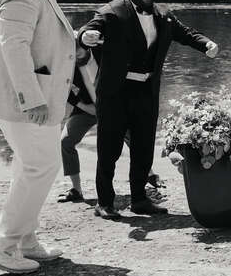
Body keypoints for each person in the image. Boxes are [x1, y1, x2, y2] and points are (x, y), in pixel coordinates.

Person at [79, 0, 218, 219]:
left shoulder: (162, 13)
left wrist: (206, 44)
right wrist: (85, 36)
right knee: (108, 148)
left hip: (147, 90)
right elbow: (88, 30)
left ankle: (140, 200)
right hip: (115, 93)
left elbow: (185, 34)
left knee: (143, 147)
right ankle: (105, 202)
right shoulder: (112, 12)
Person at [0, 0, 75, 273]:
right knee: (41, 166)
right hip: (24, 101)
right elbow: (13, 47)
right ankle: (0, 244)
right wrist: (32, 99)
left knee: (29, 165)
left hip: (29, 97)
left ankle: (25, 241)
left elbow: (37, 40)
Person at [57, 46, 164, 203]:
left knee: (134, 139)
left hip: (113, 107)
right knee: (65, 141)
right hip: (87, 109)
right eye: (72, 47)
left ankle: (149, 175)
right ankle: (76, 190)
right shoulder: (65, 65)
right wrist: (84, 106)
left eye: (79, 45)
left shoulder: (103, 53)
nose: (76, 49)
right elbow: (64, 91)